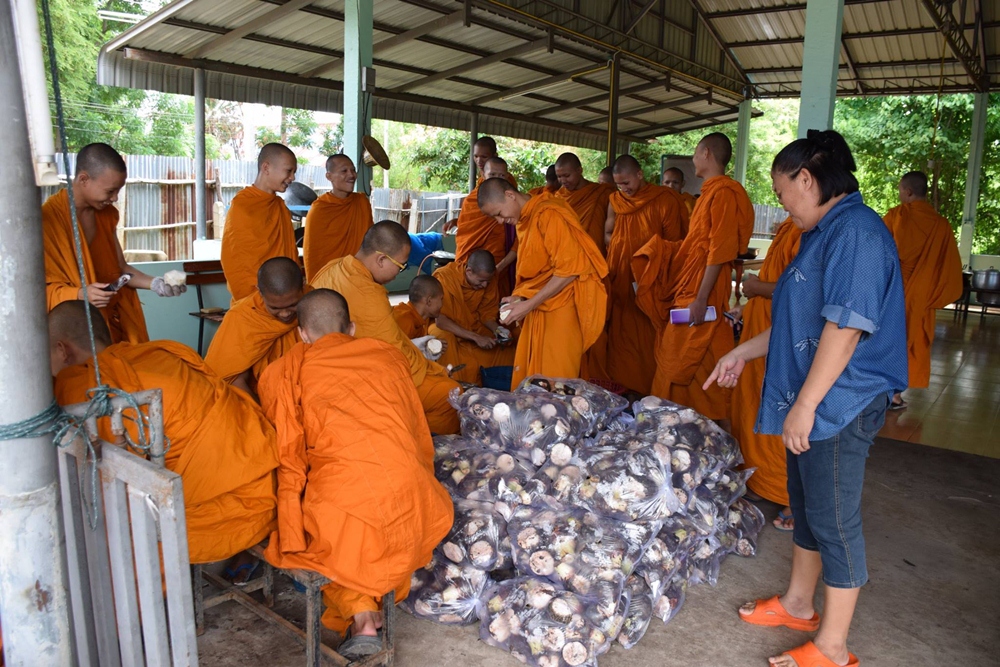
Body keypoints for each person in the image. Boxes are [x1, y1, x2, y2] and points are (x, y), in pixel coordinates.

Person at [705, 129, 906, 667]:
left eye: (782, 192)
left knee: (834, 517)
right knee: (809, 504)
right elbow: (801, 321)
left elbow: (845, 329)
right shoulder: (823, 231)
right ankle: (798, 604)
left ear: (807, 179)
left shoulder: (857, 233)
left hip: (840, 401)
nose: (782, 205)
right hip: (817, 396)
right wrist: (742, 351)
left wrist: (805, 406)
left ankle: (833, 648)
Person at [258, 289, 453, 660]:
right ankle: (365, 611)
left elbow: (288, 454)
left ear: (302, 334)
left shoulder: (283, 372)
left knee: (320, 535)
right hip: (410, 491)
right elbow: (416, 431)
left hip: (347, 494)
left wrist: (290, 510)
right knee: (364, 530)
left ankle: (362, 615)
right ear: (351, 328)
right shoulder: (388, 357)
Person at [50, 301, 279, 566]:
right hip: (266, 488)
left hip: (223, 513)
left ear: (62, 349)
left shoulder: (80, 385)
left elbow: (98, 483)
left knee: (110, 546)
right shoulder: (157, 355)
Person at [635, 132, 754, 423]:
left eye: (696, 153)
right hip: (694, 285)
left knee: (695, 352)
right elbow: (697, 246)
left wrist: (701, 298)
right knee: (687, 353)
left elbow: (719, 250)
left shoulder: (723, 193)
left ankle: (706, 422)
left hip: (703, 291)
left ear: (707, 154)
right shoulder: (708, 193)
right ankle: (680, 419)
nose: (693, 159)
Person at [311, 221, 462, 434]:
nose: (400, 273)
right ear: (381, 259)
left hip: (321, 368)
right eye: (401, 266)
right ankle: (422, 443)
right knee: (449, 392)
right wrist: (435, 370)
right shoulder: (369, 295)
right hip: (355, 379)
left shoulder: (333, 267)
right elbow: (392, 353)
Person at [42, 142, 186, 344]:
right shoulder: (48, 220)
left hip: (109, 322)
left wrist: (156, 283)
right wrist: (78, 294)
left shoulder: (106, 215)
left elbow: (120, 270)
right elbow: (34, 291)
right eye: (110, 191)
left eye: (118, 190)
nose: (115, 198)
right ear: (83, 179)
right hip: (73, 331)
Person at [477, 178, 608, 387]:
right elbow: (540, 271)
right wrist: (522, 297)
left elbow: (570, 270)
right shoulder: (525, 219)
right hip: (539, 305)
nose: (500, 222)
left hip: (561, 309)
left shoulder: (548, 213)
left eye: (499, 214)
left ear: (510, 195)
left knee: (557, 381)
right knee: (535, 379)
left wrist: (529, 304)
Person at [728, 218, 803, 532]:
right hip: (763, 329)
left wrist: (757, 288)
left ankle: (792, 497)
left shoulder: (812, 230)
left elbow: (804, 289)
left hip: (788, 336)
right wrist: (746, 307)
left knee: (780, 408)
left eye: (782, 193)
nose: (778, 197)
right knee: (754, 406)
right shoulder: (790, 226)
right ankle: (760, 480)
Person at [604, 155, 689, 395]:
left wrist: (646, 257)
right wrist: (622, 246)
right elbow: (607, 233)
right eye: (619, 184)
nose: (624, 188)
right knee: (621, 335)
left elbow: (675, 245)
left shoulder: (665, 199)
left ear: (640, 174)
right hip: (621, 278)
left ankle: (649, 390)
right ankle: (622, 390)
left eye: (627, 182)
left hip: (650, 281)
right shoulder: (615, 201)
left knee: (648, 334)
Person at [882, 170, 963, 409]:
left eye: (900, 191)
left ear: (908, 192)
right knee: (912, 341)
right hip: (921, 297)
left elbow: (878, 251)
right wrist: (931, 295)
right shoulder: (941, 225)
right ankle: (895, 394)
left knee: (886, 340)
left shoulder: (896, 216)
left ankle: (880, 391)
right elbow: (948, 268)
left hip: (892, 292)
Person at [205, 257, 306, 398]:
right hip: (260, 399)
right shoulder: (242, 317)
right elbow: (231, 378)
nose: (285, 314)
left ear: (303, 285)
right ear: (260, 291)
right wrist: (261, 410)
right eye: (275, 308)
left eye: (292, 305)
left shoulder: (318, 304)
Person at [221, 143, 299, 303]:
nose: (292, 178)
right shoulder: (243, 206)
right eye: (289, 171)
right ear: (266, 168)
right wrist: (263, 296)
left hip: (287, 294)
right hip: (254, 298)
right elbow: (237, 261)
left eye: (294, 172)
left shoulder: (280, 207)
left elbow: (289, 253)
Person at [430, 249, 516, 385]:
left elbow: (486, 313)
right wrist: (476, 338)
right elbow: (440, 320)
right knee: (441, 338)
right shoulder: (446, 278)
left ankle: (494, 382)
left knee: (507, 350)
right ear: (469, 271)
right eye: (481, 281)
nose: (485, 285)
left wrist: (498, 330)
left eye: (488, 281)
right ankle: (453, 384)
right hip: (449, 329)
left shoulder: (489, 280)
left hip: (474, 326)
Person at [451, 153, 520, 296]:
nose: (500, 220)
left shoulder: (513, 199)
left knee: (494, 297)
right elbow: (466, 233)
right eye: (492, 174)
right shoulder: (472, 201)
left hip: (500, 262)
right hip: (472, 262)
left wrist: (501, 266)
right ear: (483, 174)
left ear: (507, 177)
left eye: (501, 176)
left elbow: (518, 235)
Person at [303, 155, 373, 282]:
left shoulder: (361, 202)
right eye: (344, 171)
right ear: (329, 176)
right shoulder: (320, 209)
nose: (351, 175)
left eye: (353, 170)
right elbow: (313, 255)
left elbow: (370, 243)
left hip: (358, 275)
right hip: (330, 279)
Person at [555, 152, 616, 255]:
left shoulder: (601, 193)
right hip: (566, 255)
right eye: (559, 176)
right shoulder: (558, 197)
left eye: (567, 175)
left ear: (579, 170)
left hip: (595, 255)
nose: (563, 180)